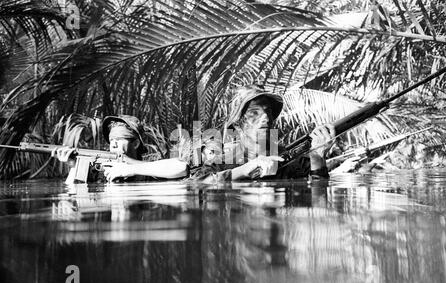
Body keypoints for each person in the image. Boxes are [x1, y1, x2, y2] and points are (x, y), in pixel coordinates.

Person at [190, 85, 336, 182]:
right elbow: (199, 184)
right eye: (254, 113)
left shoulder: (293, 162)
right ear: (237, 125)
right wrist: (244, 170)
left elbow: (318, 201)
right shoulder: (221, 164)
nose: (265, 118)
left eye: (268, 112)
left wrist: (317, 158)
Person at [53, 115, 188, 183]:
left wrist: (129, 169)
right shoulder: (102, 169)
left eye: (118, 140)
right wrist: (73, 167)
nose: (114, 145)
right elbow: (71, 192)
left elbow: (181, 167)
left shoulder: (153, 162)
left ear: (135, 144)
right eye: (112, 141)